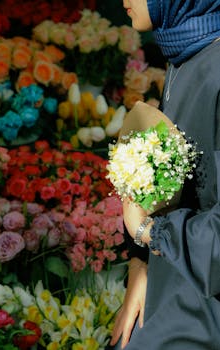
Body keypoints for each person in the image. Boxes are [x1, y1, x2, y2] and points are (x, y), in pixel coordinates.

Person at [108, 1, 220, 349]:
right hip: (173, 282)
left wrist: (148, 232)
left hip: (203, 308)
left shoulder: (215, 69)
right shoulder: (184, 56)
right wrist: (138, 270)